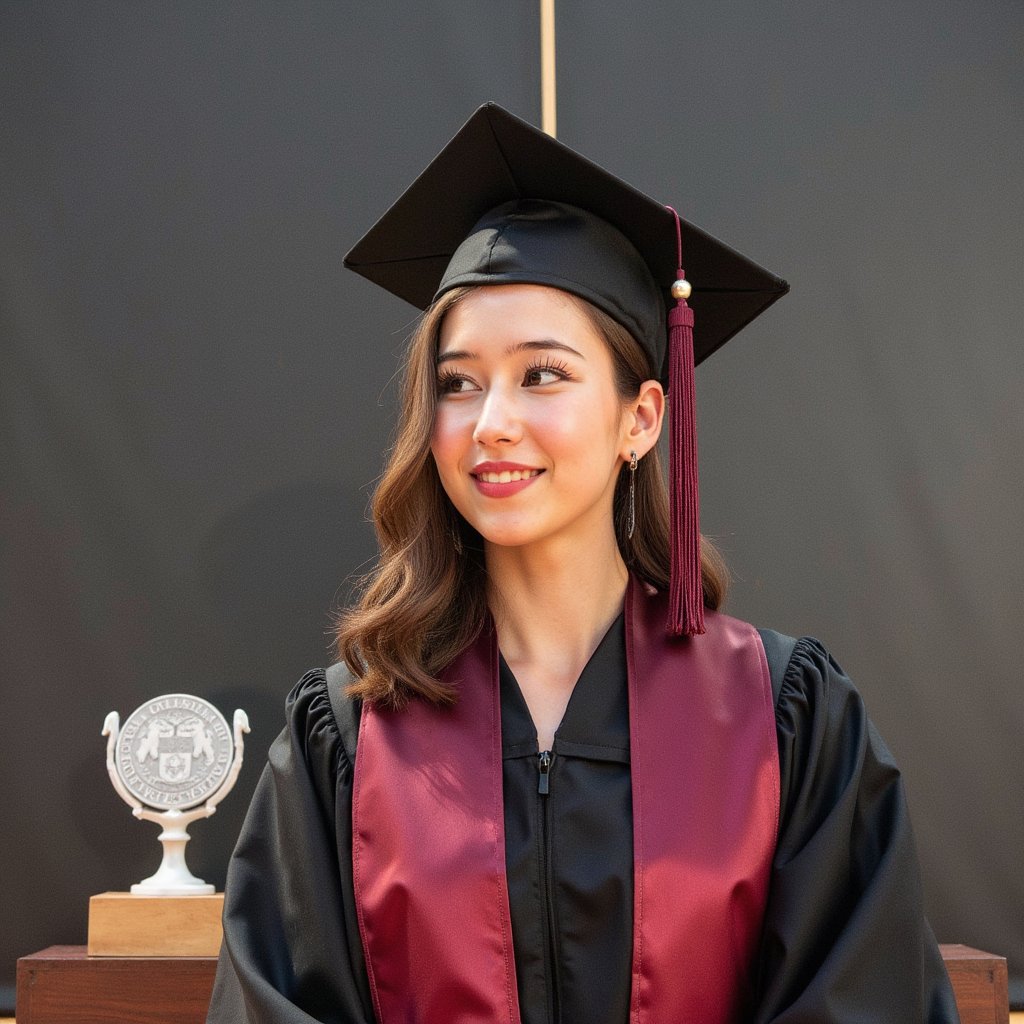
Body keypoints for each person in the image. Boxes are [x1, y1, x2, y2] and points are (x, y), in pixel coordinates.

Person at [207, 103, 960, 1023]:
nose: (490, 423)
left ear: (641, 418)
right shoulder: (351, 737)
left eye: (543, 374)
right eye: (458, 383)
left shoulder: (787, 722)